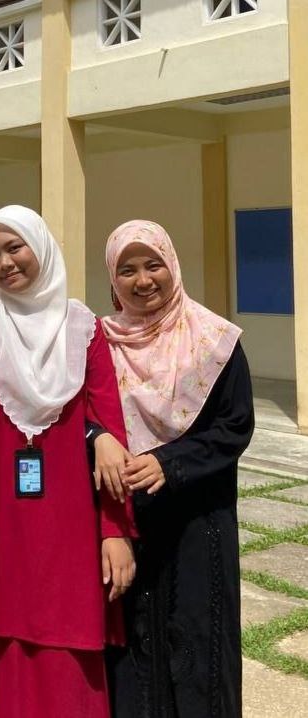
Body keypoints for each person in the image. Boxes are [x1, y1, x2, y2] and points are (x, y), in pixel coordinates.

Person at [0, 205, 137, 718]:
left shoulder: (83, 328)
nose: (4, 263)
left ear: (40, 247)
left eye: (14, 248)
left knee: (64, 633)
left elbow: (109, 428)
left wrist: (115, 530)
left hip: (66, 524)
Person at [97, 220, 254, 718]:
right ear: (113, 279)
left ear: (173, 265)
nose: (143, 280)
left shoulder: (214, 341)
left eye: (153, 265)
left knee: (199, 644)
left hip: (198, 521)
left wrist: (169, 462)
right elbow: (83, 416)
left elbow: (235, 426)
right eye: (127, 270)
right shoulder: (101, 344)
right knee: (134, 645)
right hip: (128, 520)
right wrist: (99, 441)